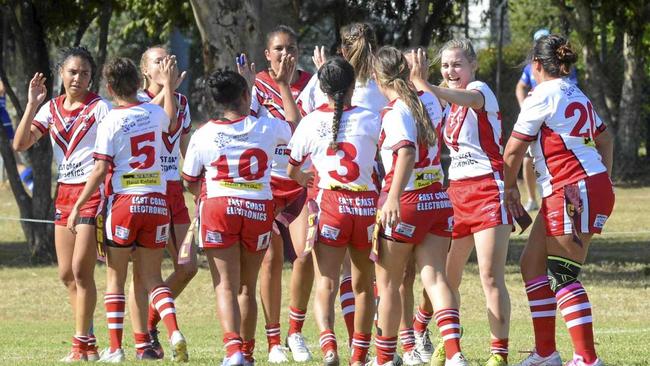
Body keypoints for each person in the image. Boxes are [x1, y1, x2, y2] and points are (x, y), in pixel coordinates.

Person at [66, 56, 188, 362]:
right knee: (153, 277)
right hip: (157, 203)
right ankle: (173, 331)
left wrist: (79, 205)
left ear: (108, 87)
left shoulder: (109, 121)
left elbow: (98, 171)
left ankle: (116, 349)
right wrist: (170, 86)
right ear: (138, 83)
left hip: (124, 203)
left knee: (115, 278)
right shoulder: (155, 113)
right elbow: (172, 121)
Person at [182, 55, 300, 366]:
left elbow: (190, 179)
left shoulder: (203, 133)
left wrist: (209, 197)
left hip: (220, 206)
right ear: (247, 95)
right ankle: (246, 354)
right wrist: (284, 86)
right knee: (248, 285)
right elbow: (295, 127)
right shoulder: (265, 126)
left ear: (216, 100)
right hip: (259, 208)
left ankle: (234, 350)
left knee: (225, 284)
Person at [504, 34, 614, 366]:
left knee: (562, 275)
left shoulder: (541, 95)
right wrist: (603, 179)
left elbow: (513, 150)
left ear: (536, 65)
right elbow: (605, 138)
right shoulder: (573, 91)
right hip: (576, 188)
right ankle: (546, 353)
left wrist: (509, 189)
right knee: (531, 266)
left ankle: (587, 359)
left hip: (571, 190)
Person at [416, 39, 512, 366]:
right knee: (447, 277)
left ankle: (498, 354)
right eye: (445, 65)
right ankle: (449, 343)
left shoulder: (478, 89)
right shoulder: (446, 101)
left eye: (457, 64)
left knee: (489, 275)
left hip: (487, 188)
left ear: (472, 66)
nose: (450, 71)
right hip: (455, 192)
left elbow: (469, 98)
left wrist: (428, 85)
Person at [371, 46, 468, 366]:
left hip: (409, 201)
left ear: (377, 77)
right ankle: (454, 354)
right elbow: (427, 95)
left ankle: (386, 358)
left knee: (388, 285)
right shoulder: (429, 100)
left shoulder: (395, 111)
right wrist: (422, 78)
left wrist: (394, 197)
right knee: (435, 278)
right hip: (437, 199)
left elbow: (407, 153)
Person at [13, 47, 111, 362]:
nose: (78, 78)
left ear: (91, 76)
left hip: (92, 193)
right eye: (72, 72)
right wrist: (31, 105)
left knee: (83, 272)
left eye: (84, 73)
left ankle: (80, 345)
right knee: (66, 274)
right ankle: (90, 341)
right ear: (61, 74)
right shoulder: (51, 109)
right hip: (65, 194)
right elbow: (20, 143)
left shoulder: (100, 108)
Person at [297, 22, 388, 348]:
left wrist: (303, 178)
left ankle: (327, 342)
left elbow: (294, 163)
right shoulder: (372, 114)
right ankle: (360, 352)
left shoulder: (311, 119)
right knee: (365, 284)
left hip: (330, 203)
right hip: (365, 204)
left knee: (327, 281)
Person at [126, 45, 197, 359]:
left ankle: (153, 321)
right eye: (158, 60)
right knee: (141, 274)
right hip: (144, 189)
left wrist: (199, 178)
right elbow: (149, 121)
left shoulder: (181, 101)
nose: (167, 63)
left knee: (188, 266)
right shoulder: (137, 100)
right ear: (145, 70)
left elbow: (184, 145)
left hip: (174, 192)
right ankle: (143, 341)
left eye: (170, 58)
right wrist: (167, 88)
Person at [249, 25, 314, 363]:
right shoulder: (255, 83)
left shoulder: (311, 83)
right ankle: (273, 340)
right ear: (267, 53)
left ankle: (296, 332)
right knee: (271, 261)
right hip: (265, 185)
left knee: (305, 256)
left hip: (301, 182)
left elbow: (304, 126)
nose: (285, 54)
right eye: (279, 49)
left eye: (291, 48)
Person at [515, 29, 578, 212]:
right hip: (537, 116)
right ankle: (534, 198)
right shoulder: (532, 75)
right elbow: (520, 87)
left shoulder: (549, 87)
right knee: (529, 160)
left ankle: (553, 198)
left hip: (555, 122)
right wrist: (523, 105)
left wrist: (509, 186)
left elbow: (511, 152)